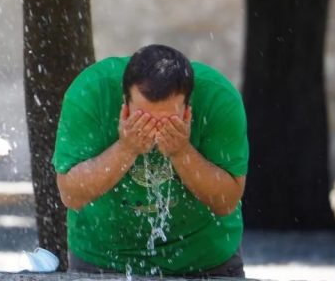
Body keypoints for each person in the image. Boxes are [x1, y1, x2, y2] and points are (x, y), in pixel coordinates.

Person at [53, 44, 248, 277]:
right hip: (104, 258)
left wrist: (182, 152)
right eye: (142, 118)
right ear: (124, 104)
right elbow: (71, 194)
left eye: (168, 120)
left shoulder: (218, 99)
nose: (154, 130)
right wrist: (125, 149)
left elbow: (226, 201)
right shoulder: (91, 92)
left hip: (205, 258)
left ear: (188, 109)